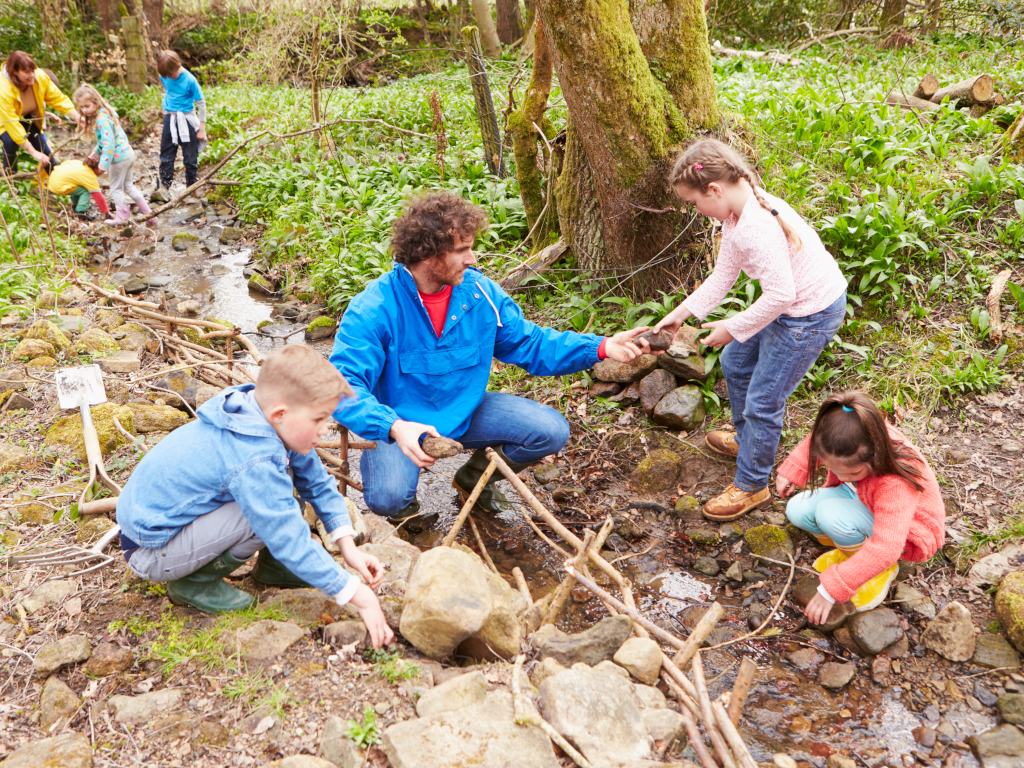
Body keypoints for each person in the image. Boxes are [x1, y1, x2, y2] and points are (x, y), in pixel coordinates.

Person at [329, 191, 652, 528]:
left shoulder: (480, 293)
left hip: (466, 411)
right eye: (461, 250)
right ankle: (406, 516)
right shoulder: (375, 308)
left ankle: (473, 479)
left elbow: (531, 344)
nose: (472, 258)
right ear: (427, 253)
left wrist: (601, 347)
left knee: (549, 430)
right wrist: (393, 427)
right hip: (399, 425)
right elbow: (341, 388)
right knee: (387, 497)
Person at [116, 345, 394, 648]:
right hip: (150, 549)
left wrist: (347, 545)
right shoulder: (252, 455)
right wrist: (360, 596)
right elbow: (285, 534)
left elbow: (316, 480)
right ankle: (191, 584)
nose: (325, 430)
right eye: (318, 420)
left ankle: (274, 568)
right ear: (280, 413)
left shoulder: (259, 413)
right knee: (262, 511)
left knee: (283, 482)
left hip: (166, 525)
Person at [652, 138, 848, 522]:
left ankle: (753, 483)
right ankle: (748, 442)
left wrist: (732, 326)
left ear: (714, 189)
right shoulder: (736, 214)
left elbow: (781, 294)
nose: (697, 211)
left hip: (808, 314)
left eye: (693, 203)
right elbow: (724, 274)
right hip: (789, 306)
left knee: (763, 399)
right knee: (736, 362)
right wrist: (682, 313)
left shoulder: (756, 226)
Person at [776, 392, 945, 621]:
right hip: (864, 498)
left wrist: (831, 589)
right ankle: (851, 553)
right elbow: (817, 440)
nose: (843, 476)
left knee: (830, 514)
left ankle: (879, 570)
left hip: (906, 528)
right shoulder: (851, 430)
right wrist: (793, 469)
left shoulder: (895, 482)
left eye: (852, 471)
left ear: (875, 453)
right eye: (834, 469)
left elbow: (887, 546)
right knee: (797, 509)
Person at [73, 84, 156, 226]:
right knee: (129, 186)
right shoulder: (106, 113)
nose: (84, 110)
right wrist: (95, 154)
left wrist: (103, 165)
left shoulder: (101, 120)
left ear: (95, 102)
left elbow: (109, 144)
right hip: (128, 154)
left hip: (118, 159)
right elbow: (104, 141)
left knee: (116, 189)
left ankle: (122, 218)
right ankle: (150, 215)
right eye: (81, 107)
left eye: (87, 106)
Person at [0, 51, 81, 172]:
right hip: (5, 120)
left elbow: (57, 98)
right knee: (11, 142)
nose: (32, 75)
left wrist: (76, 116)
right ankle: (10, 180)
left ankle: (57, 183)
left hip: (27, 117)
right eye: (26, 72)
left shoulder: (39, 77)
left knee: (44, 149)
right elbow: (12, 123)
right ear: (15, 72)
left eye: (32, 70)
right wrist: (33, 152)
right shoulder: (3, 89)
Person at [154, 50, 207, 201]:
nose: (169, 77)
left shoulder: (190, 80)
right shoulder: (164, 76)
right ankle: (163, 189)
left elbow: (201, 104)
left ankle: (191, 188)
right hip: (170, 118)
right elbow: (169, 90)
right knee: (166, 155)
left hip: (187, 121)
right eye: (167, 76)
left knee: (190, 157)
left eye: (171, 74)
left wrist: (201, 128)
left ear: (178, 65)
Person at [46, 156, 110, 221]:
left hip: (52, 181)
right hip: (59, 186)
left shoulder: (79, 163)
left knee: (77, 186)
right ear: (98, 168)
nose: (103, 172)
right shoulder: (90, 175)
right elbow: (98, 195)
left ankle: (75, 207)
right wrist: (106, 212)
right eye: (103, 170)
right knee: (86, 190)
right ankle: (80, 212)